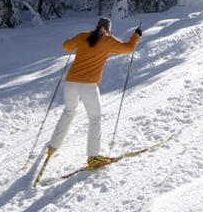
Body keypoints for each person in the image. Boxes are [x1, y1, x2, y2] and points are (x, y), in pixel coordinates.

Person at [45, 17, 142, 169]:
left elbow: (66, 46)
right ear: (108, 29)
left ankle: (53, 145)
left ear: (96, 26)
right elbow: (128, 48)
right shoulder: (108, 41)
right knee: (95, 118)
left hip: (70, 83)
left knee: (69, 112)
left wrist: (74, 42)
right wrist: (136, 35)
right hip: (88, 85)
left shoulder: (84, 35)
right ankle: (93, 156)